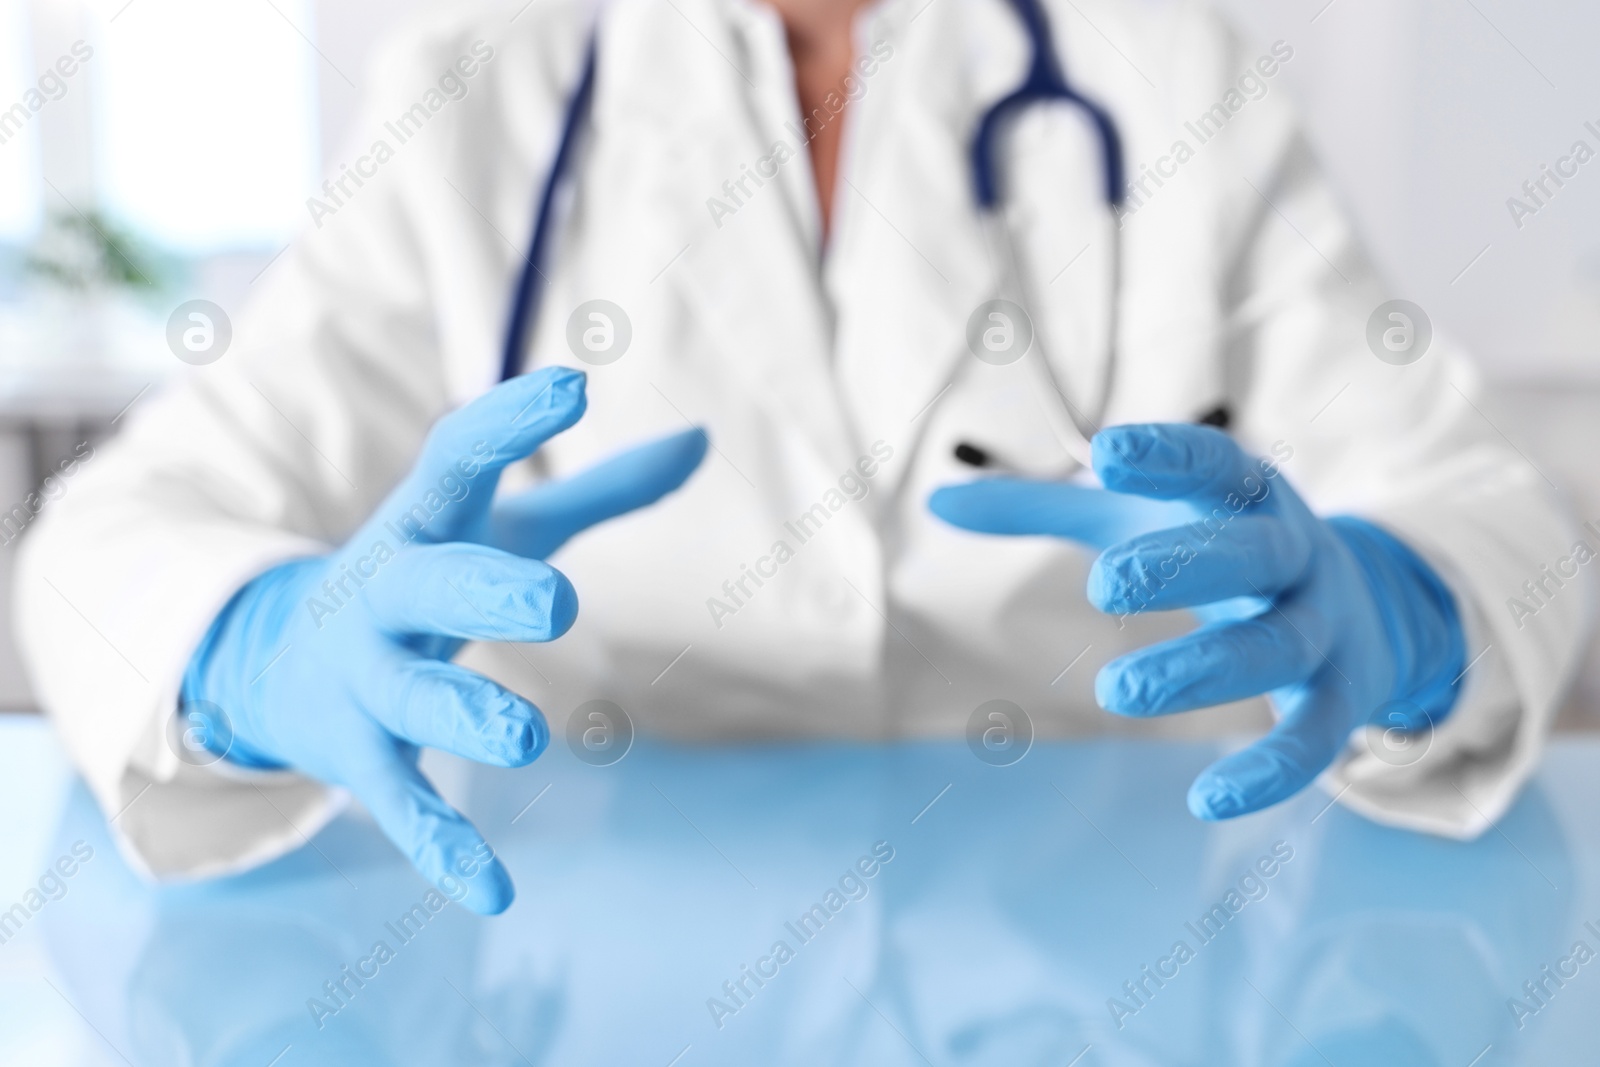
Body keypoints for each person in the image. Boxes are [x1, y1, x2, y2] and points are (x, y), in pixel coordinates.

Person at [15, 0, 1585, 913]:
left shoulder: (1163, 72)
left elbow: (1486, 503)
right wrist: (253, 643)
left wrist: (1408, 610)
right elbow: (113, 537)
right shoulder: (486, 82)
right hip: (594, 968)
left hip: (1107, 967)